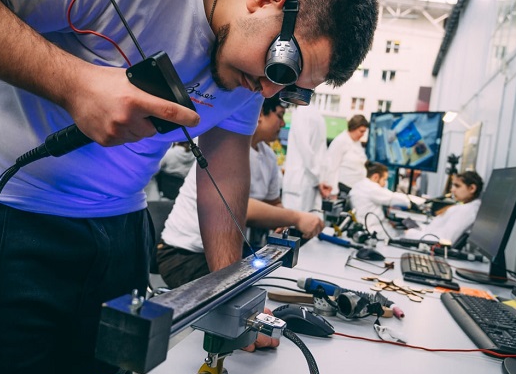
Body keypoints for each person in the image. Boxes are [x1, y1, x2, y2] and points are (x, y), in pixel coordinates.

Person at [0, 0, 378, 374]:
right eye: (282, 67)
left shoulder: (253, 72)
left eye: (291, 88)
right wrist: (75, 84)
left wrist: (230, 292)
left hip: (118, 228)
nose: (269, 90)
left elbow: (224, 172)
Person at [157, 97, 324, 288]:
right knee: (253, 293)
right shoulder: (227, 148)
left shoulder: (268, 156)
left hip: (228, 249)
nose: (283, 124)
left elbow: (274, 203)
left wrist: (282, 220)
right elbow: (238, 208)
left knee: (273, 283)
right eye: (279, 116)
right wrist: (297, 218)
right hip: (184, 255)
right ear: (259, 113)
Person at [281, 100, 332, 212]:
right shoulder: (318, 115)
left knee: (292, 220)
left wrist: (317, 179)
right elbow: (321, 152)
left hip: (298, 183)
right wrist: (319, 179)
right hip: (309, 182)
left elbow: (305, 149)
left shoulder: (301, 112)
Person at [349, 161, 411, 233]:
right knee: (411, 233)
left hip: (366, 226)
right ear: (376, 177)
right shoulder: (371, 188)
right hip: (374, 229)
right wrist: (416, 201)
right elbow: (395, 198)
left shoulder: (360, 185)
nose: (384, 183)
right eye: (384, 179)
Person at [423, 171, 484, 245]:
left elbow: (444, 239)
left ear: (472, 188)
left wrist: (412, 233)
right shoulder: (466, 207)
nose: (452, 190)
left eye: (457, 186)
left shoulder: (466, 211)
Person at [323, 114, 370, 194]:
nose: (363, 134)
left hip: (355, 188)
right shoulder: (340, 141)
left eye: (364, 132)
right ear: (353, 128)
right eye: (361, 131)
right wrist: (333, 191)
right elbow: (332, 167)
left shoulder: (357, 142)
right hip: (343, 188)